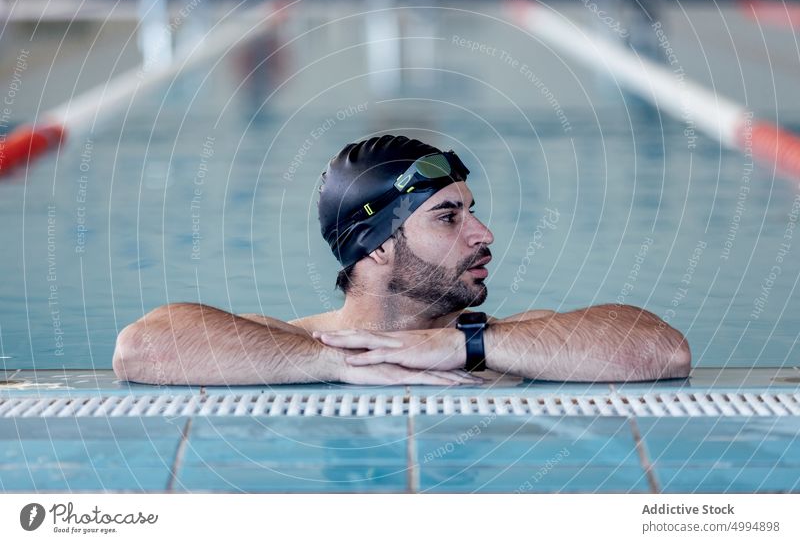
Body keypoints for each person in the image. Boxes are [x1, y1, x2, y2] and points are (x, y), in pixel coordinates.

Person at [113, 135, 691, 386]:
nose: (483, 233)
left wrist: (466, 347)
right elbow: (141, 349)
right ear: (379, 246)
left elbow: (664, 350)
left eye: (472, 210)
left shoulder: (510, 340)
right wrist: (332, 364)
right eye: (448, 217)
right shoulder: (286, 347)